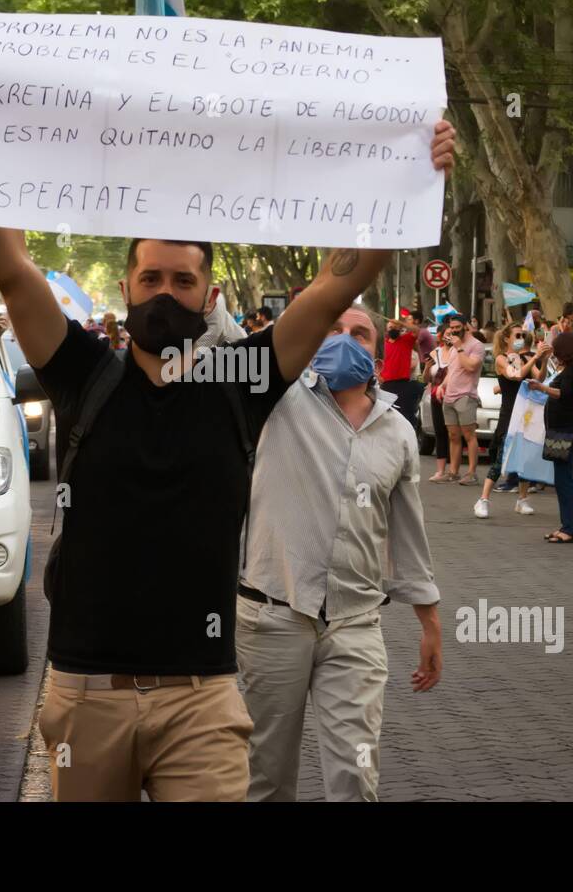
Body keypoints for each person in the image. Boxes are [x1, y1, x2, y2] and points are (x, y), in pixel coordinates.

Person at [0, 67, 456, 802]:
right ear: (125, 289)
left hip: (204, 699)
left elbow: (341, 280)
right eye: (150, 280)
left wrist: (409, 176)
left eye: (181, 281)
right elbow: (9, 269)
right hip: (86, 695)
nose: (164, 295)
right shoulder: (82, 372)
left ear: (210, 295)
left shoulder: (244, 379)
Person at [238, 307, 441, 801]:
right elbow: (224, 340)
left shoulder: (397, 432)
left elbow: (408, 534)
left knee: (356, 773)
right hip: (272, 617)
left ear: (376, 349)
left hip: (356, 624)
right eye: (332, 329)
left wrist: (430, 622)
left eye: (359, 333)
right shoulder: (276, 399)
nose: (344, 340)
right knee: (264, 775)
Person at [524, 332, 573, 543]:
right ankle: (566, 525)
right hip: (562, 428)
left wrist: (540, 387)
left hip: (563, 430)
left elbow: (565, 394)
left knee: (563, 480)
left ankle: (569, 528)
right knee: (563, 478)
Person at [474, 324, 542, 518]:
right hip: (510, 413)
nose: (521, 337)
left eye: (523, 335)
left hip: (526, 415)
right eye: (517, 335)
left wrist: (541, 359)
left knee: (525, 458)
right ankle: (483, 500)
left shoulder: (527, 358)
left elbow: (541, 378)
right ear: (506, 339)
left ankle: (522, 499)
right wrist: (534, 358)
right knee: (501, 458)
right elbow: (516, 375)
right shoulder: (501, 359)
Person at [436, 313, 485, 485]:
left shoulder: (476, 345)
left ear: (466, 326)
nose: (455, 331)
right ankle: (453, 472)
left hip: (466, 395)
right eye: (452, 328)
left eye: (458, 327)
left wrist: (459, 348)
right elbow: (453, 370)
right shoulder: (453, 347)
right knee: (453, 435)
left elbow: (471, 366)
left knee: (469, 435)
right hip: (449, 395)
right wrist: (442, 385)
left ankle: (471, 473)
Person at [378, 314, 423, 431]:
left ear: (400, 329)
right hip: (386, 384)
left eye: (395, 327)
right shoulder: (383, 344)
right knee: (386, 416)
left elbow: (417, 330)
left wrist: (401, 323)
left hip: (403, 383)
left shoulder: (406, 340)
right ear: (386, 330)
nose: (393, 329)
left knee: (404, 415)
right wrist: (378, 376)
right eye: (390, 327)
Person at [423, 325, 454, 482]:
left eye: (453, 333)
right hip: (437, 398)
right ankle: (440, 470)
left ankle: (453, 470)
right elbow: (426, 379)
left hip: (454, 397)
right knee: (440, 433)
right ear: (441, 336)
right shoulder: (435, 353)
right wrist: (427, 368)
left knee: (454, 434)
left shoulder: (458, 352)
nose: (450, 336)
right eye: (448, 333)